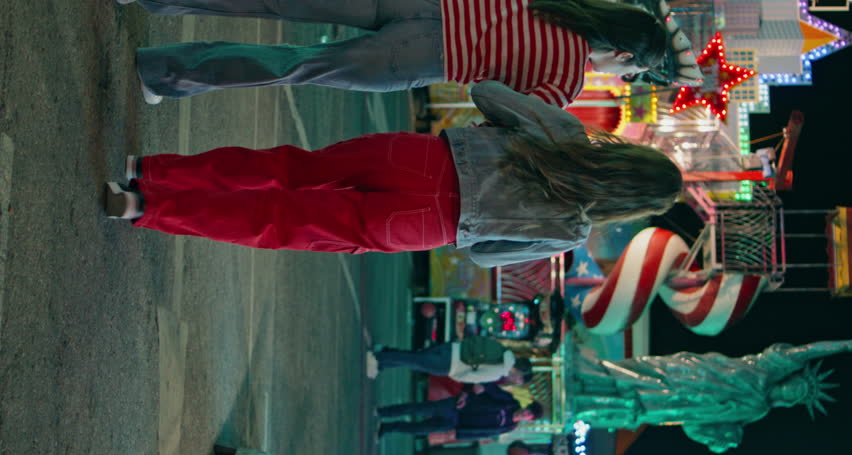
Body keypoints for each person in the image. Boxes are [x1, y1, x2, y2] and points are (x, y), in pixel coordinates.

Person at [103, 80, 682, 267]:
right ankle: (144, 208)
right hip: (422, 224)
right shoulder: (570, 232)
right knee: (279, 223)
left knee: (288, 166)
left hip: (422, 159)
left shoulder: (565, 134)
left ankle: (149, 169)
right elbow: (485, 256)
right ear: (628, 205)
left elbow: (485, 91)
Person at [118, 0, 667, 106]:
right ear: (621, 52)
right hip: (425, 55)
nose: (620, 78)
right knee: (294, 65)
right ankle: (164, 70)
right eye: (630, 70)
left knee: (280, 1)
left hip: (427, 4)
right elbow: (490, 100)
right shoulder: (568, 78)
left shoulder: (561, 6)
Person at [570, 340, 852, 453]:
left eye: (798, 395)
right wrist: (843, 345)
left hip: (680, 406)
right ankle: (583, 376)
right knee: (628, 377)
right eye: (798, 385)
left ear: (793, 402)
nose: (793, 391)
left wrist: (719, 440)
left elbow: (703, 430)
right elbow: (800, 353)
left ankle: (582, 406)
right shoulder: (763, 369)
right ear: (791, 377)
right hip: (684, 375)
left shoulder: (756, 411)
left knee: (635, 405)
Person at [377, 384, 544, 438]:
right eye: (528, 410)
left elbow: (483, 434)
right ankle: (384, 412)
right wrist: (469, 391)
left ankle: (388, 428)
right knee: (420, 409)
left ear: (528, 419)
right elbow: (489, 388)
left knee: (421, 429)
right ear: (525, 407)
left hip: (457, 423)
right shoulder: (510, 402)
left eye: (529, 416)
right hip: (458, 406)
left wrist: (459, 435)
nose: (525, 414)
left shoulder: (508, 427)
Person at [365, 337, 534, 385]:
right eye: (518, 378)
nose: (516, 381)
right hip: (451, 365)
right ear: (518, 371)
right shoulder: (499, 371)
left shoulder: (503, 351)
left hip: (453, 348)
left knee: (415, 358)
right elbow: (473, 377)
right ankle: (377, 358)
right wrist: (456, 376)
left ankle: (382, 361)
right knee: (413, 361)